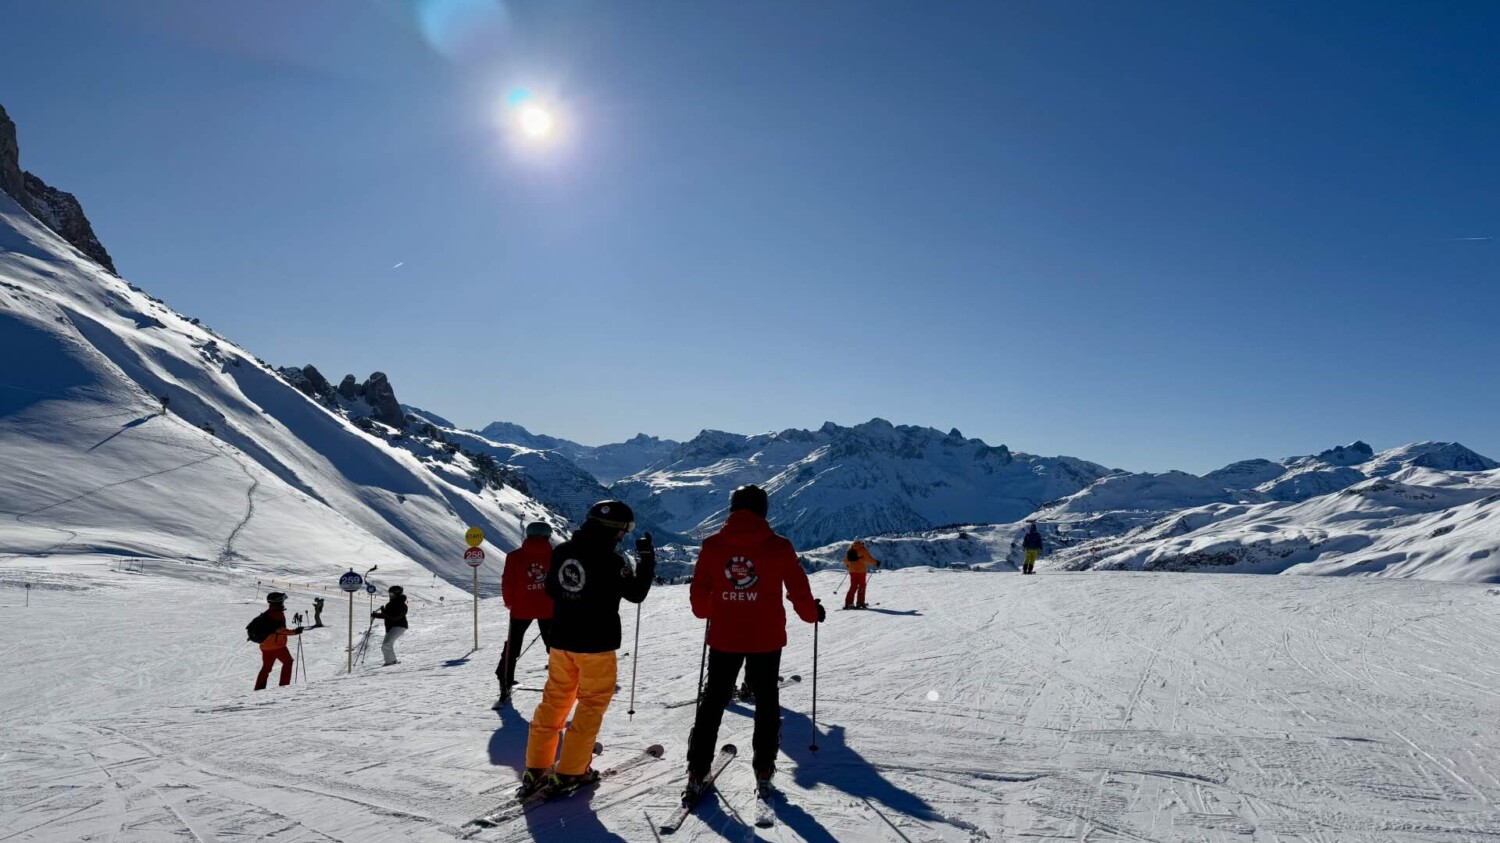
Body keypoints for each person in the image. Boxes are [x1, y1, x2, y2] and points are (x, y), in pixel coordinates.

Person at [684, 484, 823, 804]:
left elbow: (699, 603)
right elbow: (799, 590)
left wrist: (714, 607)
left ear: (733, 509)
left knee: (713, 701)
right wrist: (813, 614)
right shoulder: (779, 546)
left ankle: (696, 770)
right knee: (766, 702)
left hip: (723, 637)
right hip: (766, 638)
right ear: (764, 510)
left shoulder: (713, 545)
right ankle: (763, 769)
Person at [520, 501, 655, 794]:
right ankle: (571, 770)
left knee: (554, 701)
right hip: (595, 644)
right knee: (591, 704)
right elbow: (637, 593)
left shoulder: (562, 552)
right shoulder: (612, 561)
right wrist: (647, 560)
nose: (624, 535)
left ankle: (537, 766)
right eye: (624, 529)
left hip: (561, 640)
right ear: (617, 530)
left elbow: (551, 589)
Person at [495, 522, 556, 708]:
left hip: (521, 608)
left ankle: (504, 684)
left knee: (512, 647)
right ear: (547, 536)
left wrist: (510, 603)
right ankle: (562, 685)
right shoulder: (555, 555)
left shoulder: (514, 557)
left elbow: (507, 582)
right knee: (555, 647)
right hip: (549, 608)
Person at [254, 592, 304, 690]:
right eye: (282, 600)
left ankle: (258, 689)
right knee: (288, 662)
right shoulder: (276, 614)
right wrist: (294, 632)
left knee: (266, 668)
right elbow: (279, 630)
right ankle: (284, 687)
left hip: (265, 645)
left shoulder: (268, 613)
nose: (283, 602)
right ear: (278, 601)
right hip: (276, 646)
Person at [371, 585, 408, 665]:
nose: (390, 595)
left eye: (391, 594)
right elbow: (387, 616)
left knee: (387, 644)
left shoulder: (402, 605)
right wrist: (376, 615)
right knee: (385, 646)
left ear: (397, 594)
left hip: (399, 626)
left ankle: (391, 662)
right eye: (389, 594)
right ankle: (391, 661)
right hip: (390, 627)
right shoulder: (390, 604)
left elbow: (395, 617)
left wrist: (384, 612)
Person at [842, 539, 880, 609]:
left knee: (853, 586)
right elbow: (869, 559)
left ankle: (849, 603)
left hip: (852, 571)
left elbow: (845, 561)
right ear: (861, 543)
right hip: (861, 571)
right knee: (862, 586)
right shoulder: (862, 549)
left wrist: (849, 566)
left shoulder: (850, 548)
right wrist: (876, 563)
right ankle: (860, 602)